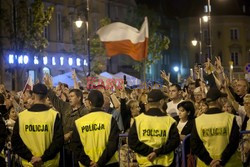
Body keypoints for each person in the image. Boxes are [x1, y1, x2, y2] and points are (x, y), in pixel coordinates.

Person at [11, 83, 64, 167]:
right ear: (47, 96)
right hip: (49, 163)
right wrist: (43, 158)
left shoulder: (22, 116)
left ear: (33, 96)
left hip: (29, 164)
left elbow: (15, 142)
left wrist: (30, 157)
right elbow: (58, 141)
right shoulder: (53, 115)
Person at [191, 87, 241, 167]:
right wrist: (222, 161)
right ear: (219, 100)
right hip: (229, 163)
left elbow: (195, 145)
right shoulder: (230, 118)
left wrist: (209, 161)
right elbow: (234, 142)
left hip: (206, 164)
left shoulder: (198, 121)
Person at [128, 89, 180, 167]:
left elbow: (132, 142)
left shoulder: (139, 120)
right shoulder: (169, 121)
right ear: (161, 102)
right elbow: (174, 142)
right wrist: (157, 152)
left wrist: (150, 151)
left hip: (145, 162)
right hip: (165, 162)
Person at [71, 90, 120, 167]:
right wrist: (99, 162)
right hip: (109, 163)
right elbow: (113, 144)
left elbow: (76, 147)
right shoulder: (110, 119)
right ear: (103, 102)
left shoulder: (79, 122)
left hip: (87, 164)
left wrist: (88, 162)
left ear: (89, 102)